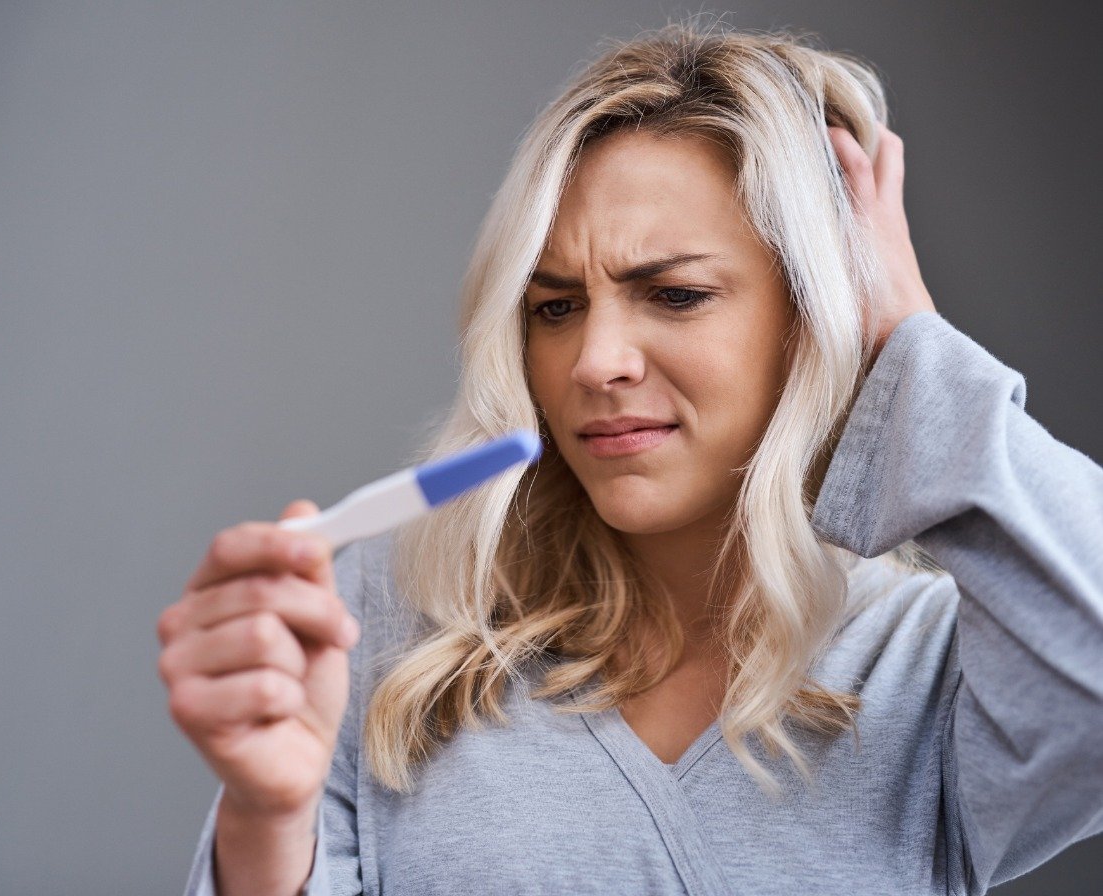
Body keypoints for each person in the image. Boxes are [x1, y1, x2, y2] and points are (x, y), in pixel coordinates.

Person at [156, 21, 1103, 896]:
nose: (595, 363)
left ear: (817, 320)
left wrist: (908, 342)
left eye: (676, 295)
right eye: (555, 306)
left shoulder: (933, 666)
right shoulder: (385, 623)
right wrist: (267, 819)